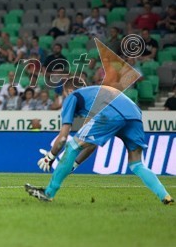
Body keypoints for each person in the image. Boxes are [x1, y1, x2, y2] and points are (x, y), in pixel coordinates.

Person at [25, 77, 174, 205]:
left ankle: (49, 193)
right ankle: (165, 196)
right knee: (136, 164)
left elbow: (64, 136)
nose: (65, 97)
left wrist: (50, 156)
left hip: (111, 115)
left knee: (72, 145)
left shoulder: (73, 95)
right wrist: (74, 164)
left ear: (68, 91)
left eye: (64, 94)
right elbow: (91, 144)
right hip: (135, 115)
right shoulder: (96, 95)